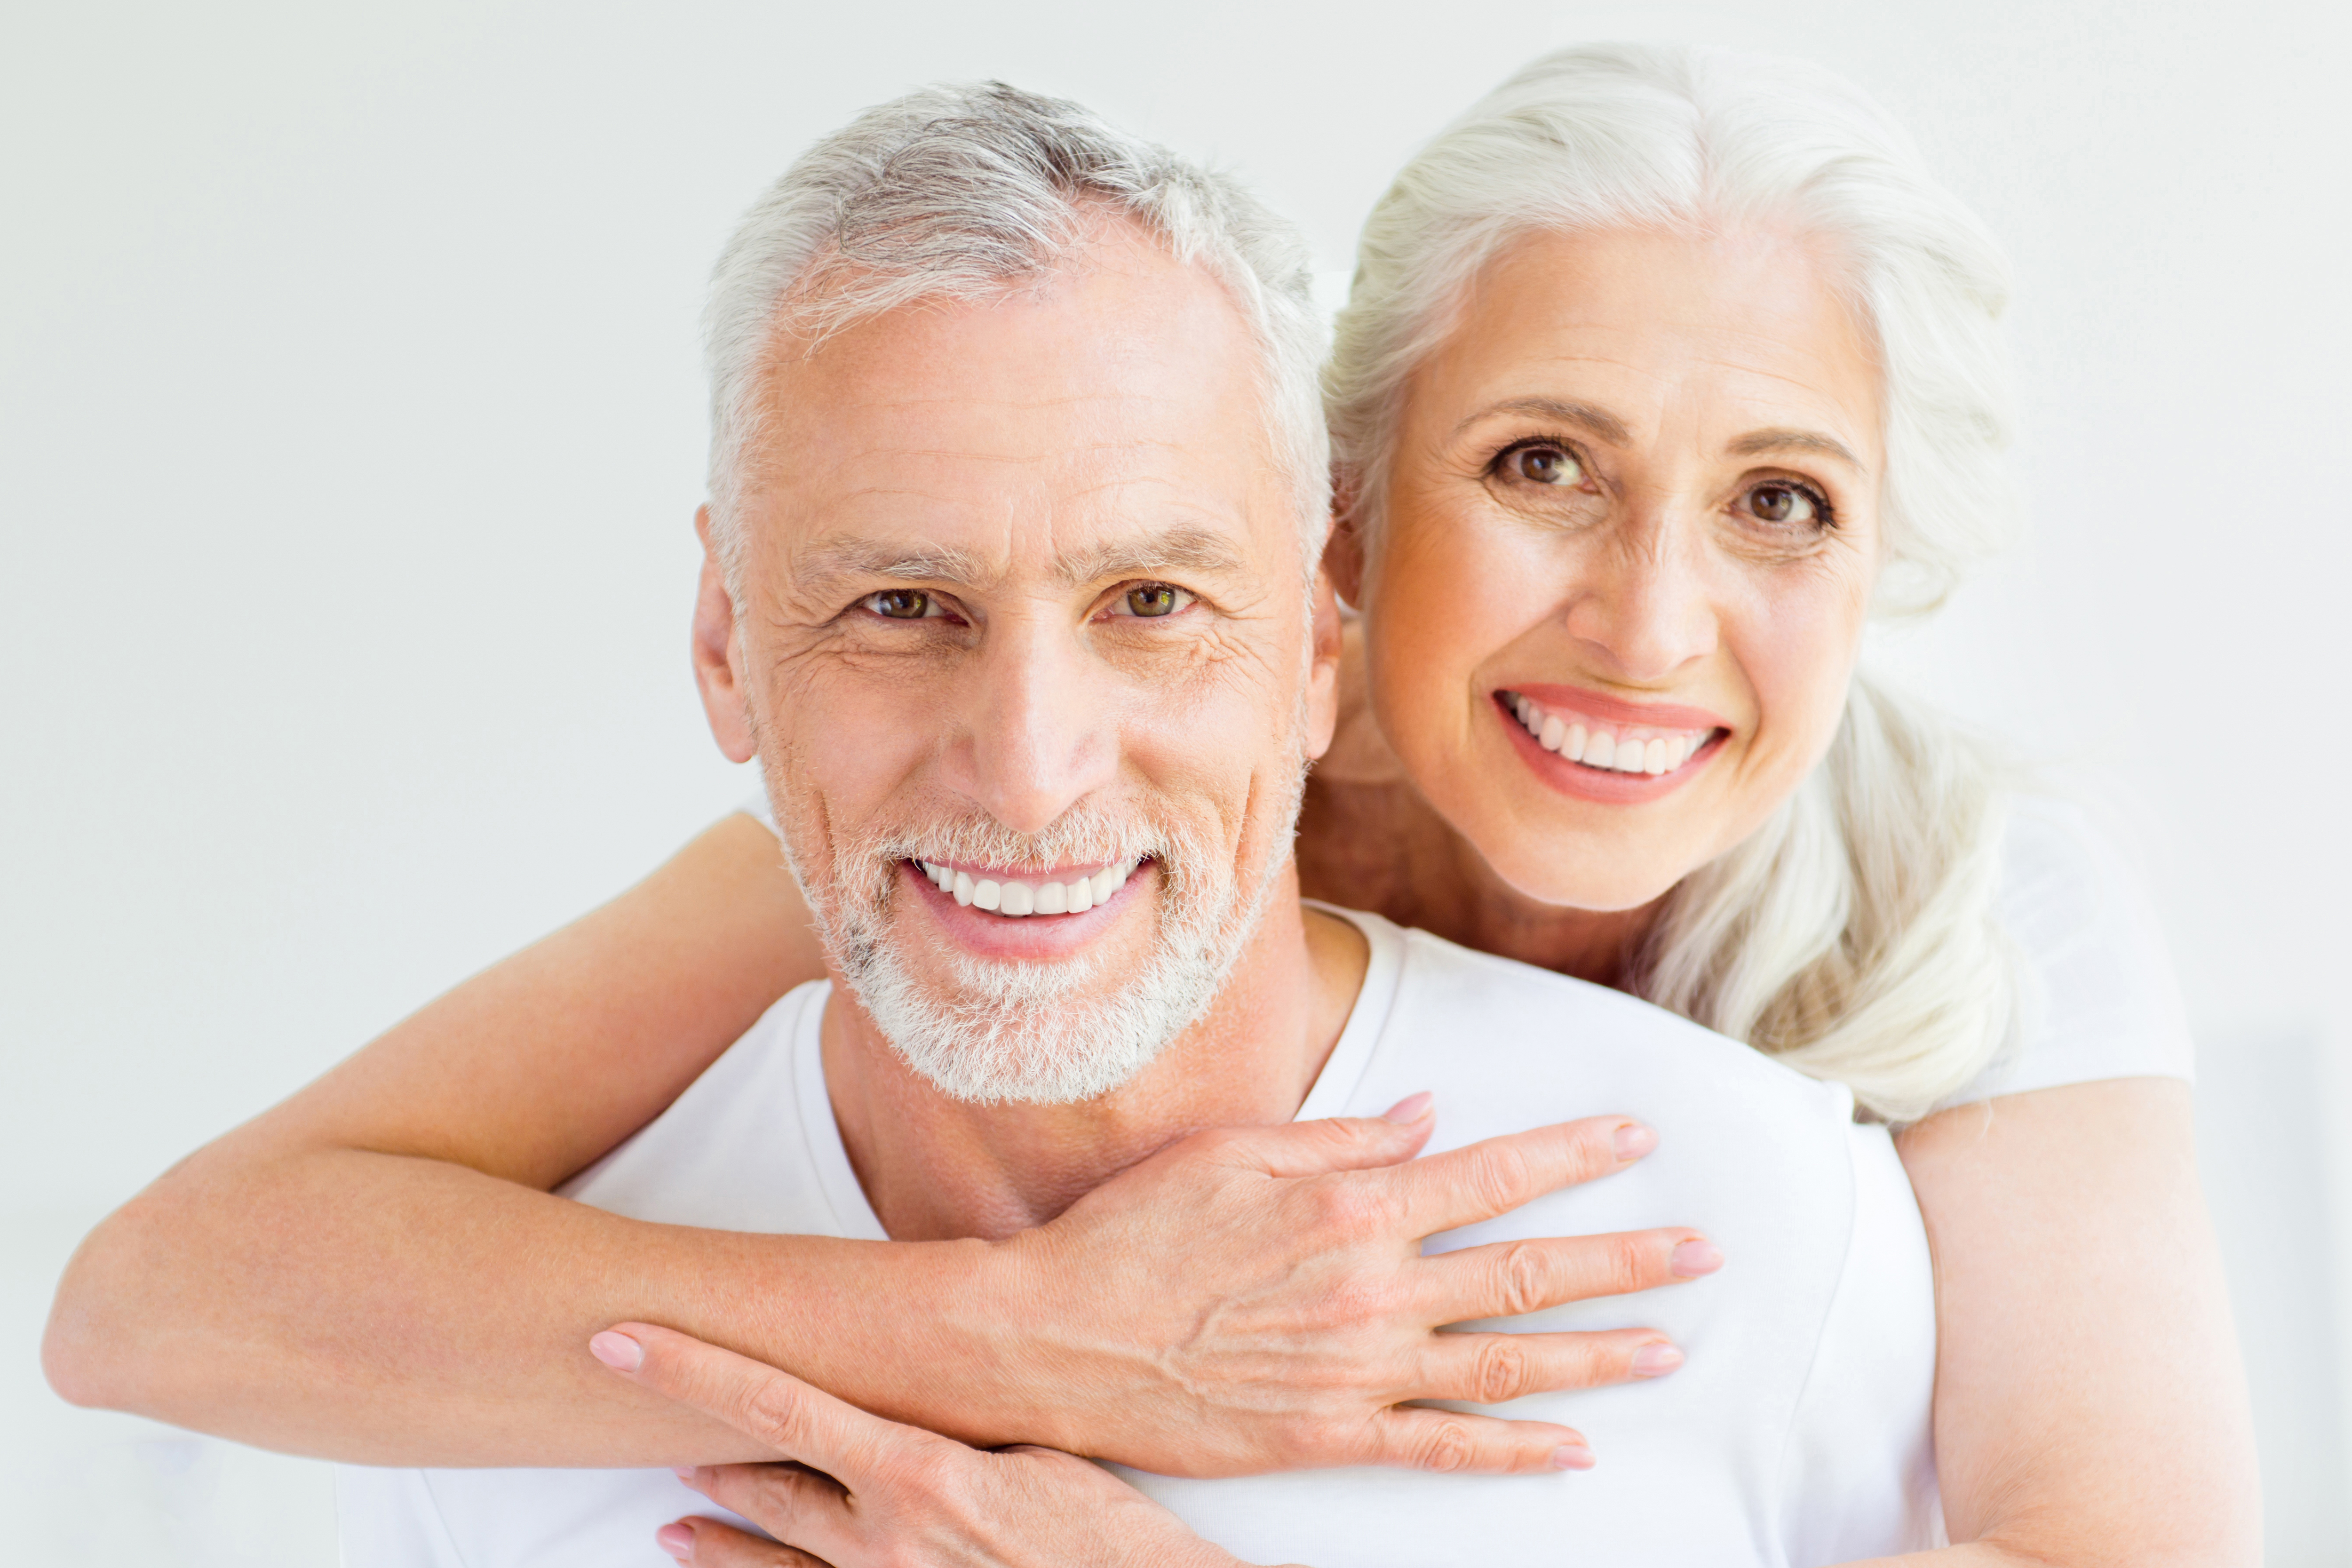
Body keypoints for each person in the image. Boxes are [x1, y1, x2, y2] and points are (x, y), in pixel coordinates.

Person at [45, 45, 2259, 1566]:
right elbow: (163, 1295)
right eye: (1539, 465)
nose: (1647, 626)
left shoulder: (1946, 970)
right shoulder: (1002, 839)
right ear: (1345, 529)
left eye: (1780, 500)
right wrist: (1024, 1340)